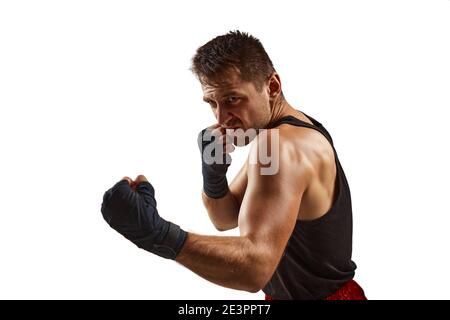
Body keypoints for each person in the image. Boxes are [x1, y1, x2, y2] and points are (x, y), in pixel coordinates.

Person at [101, 30, 366, 300]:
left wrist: (157, 234)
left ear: (272, 86)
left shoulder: (277, 144)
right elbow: (225, 218)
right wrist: (213, 175)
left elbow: (253, 270)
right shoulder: (287, 134)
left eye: (232, 99)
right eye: (212, 103)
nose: (222, 117)